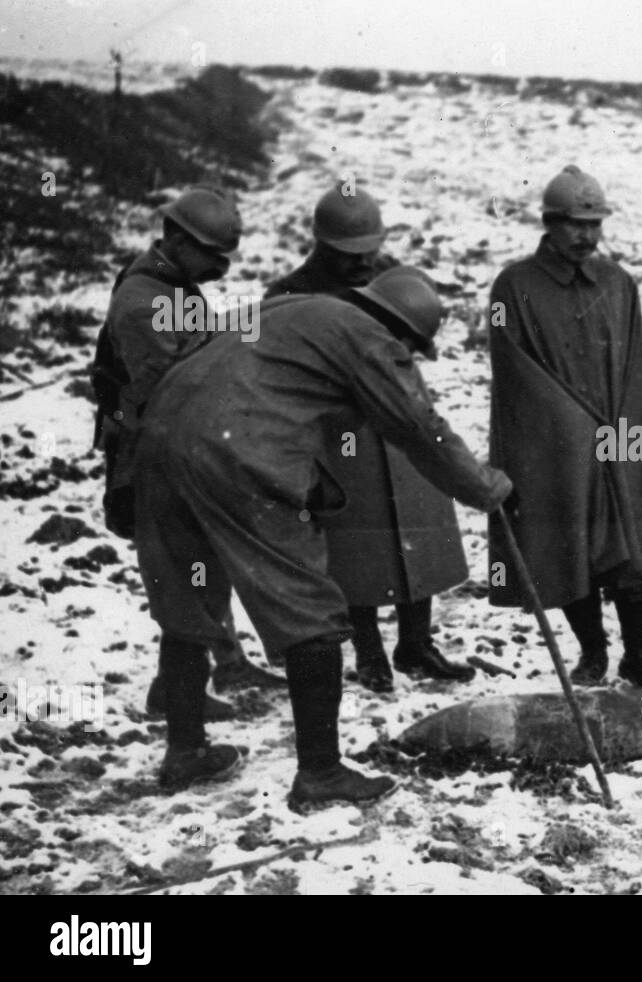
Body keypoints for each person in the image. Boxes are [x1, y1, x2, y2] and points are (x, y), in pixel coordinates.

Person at [133, 266, 512, 805]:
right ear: (402, 333)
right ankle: (321, 773)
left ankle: (186, 750)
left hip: (161, 441)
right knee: (310, 609)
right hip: (237, 451)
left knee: (189, 600)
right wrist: (485, 489)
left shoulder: (294, 310)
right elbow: (418, 426)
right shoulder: (369, 340)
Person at [266, 184, 475, 691]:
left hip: (400, 417)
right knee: (352, 543)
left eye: (369, 252)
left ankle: (416, 642)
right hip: (338, 434)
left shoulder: (389, 277)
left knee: (417, 527)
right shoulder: (287, 294)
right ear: (320, 244)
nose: (362, 265)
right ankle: (368, 651)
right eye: (348, 255)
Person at [91, 186, 284, 720]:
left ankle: (226, 660)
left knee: (205, 557)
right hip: (154, 448)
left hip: (178, 439)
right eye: (212, 256)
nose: (220, 268)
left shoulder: (171, 285)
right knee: (186, 566)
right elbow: (167, 385)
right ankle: (176, 692)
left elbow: (193, 339)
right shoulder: (144, 299)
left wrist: (253, 324)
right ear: (176, 238)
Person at [487, 165, 642, 687]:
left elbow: (636, 365)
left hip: (619, 438)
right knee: (567, 548)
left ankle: (639, 657)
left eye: (595, 225)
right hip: (554, 446)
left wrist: (636, 437)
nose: (587, 236)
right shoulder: (514, 285)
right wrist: (571, 428)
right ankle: (592, 650)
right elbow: (512, 369)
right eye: (575, 224)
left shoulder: (619, 285)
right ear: (549, 222)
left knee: (631, 552)